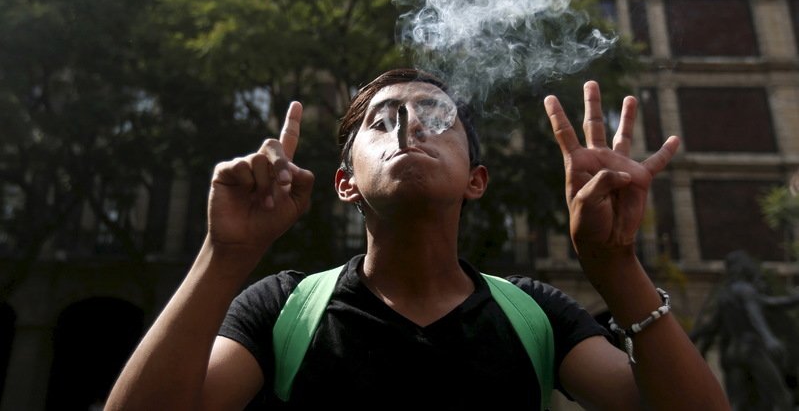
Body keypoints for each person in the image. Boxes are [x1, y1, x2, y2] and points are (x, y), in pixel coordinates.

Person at [105, 68, 729, 410]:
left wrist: (616, 265)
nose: (408, 126)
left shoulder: (536, 315)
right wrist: (225, 255)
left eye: (436, 118)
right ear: (346, 183)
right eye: (382, 121)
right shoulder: (284, 308)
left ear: (476, 180)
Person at [691, 249, 799, 411]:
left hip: (732, 353)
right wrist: (769, 338)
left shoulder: (724, 295)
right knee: (782, 397)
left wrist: (690, 341)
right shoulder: (746, 290)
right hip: (752, 349)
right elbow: (755, 315)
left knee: (737, 404)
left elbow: (711, 327)